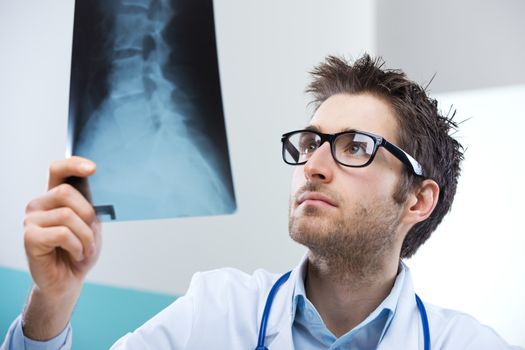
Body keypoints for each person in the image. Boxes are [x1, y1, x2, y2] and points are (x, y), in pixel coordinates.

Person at [2, 54, 521, 350]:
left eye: (356, 147)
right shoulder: (216, 312)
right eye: (311, 142)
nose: (314, 164)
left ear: (418, 199)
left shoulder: (470, 345)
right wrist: (52, 299)